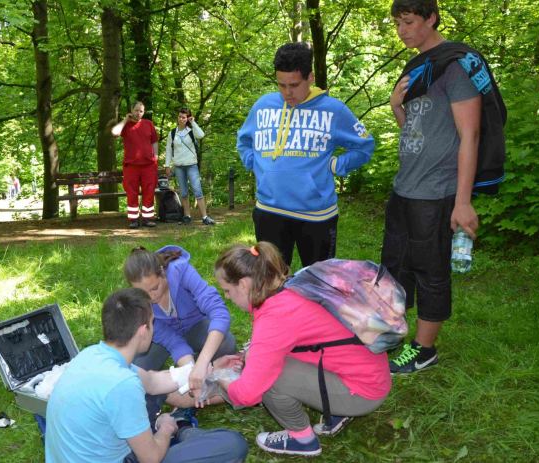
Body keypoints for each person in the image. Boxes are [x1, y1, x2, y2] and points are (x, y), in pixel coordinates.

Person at [384, 0, 495, 374]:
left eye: (409, 22)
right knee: (397, 264)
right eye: (398, 23)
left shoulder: (454, 66)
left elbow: (471, 134)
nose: (402, 31)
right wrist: (397, 107)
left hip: (436, 190)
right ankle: (396, 335)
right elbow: (414, 131)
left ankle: (424, 348)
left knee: (430, 269)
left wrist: (462, 202)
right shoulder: (418, 67)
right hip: (406, 186)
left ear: (431, 18)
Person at [213, 242, 391, 457]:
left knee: (271, 378)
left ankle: (302, 439)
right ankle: (338, 410)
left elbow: (248, 394)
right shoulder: (292, 288)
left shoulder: (275, 317)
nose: (227, 297)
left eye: (227, 290)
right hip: (370, 375)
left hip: (363, 392)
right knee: (260, 361)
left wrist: (224, 382)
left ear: (242, 285)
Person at [44, 288, 248, 463]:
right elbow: (151, 459)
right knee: (232, 445)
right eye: (153, 322)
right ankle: (181, 429)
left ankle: (178, 429)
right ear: (143, 330)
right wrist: (166, 429)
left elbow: (153, 381)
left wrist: (208, 368)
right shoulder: (123, 385)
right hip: (131, 457)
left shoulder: (92, 355)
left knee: (149, 394)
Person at [236, 42, 374, 268]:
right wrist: (255, 164)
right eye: (281, 85)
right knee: (272, 283)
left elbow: (364, 146)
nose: (287, 93)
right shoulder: (263, 106)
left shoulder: (334, 110)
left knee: (320, 283)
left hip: (317, 215)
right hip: (269, 212)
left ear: (310, 78)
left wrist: (336, 165)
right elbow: (244, 140)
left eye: (294, 85)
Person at [124, 246, 237, 397]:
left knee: (226, 342)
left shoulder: (181, 271)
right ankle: (190, 376)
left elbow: (219, 313)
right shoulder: (139, 302)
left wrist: (201, 364)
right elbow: (172, 341)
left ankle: (198, 371)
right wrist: (191, 371)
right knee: (138, 369)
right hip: (161, 341)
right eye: (143, 293)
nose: (151, 297)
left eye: (155, 288)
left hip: (196, 327)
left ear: (163, 272)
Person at [112, 101, 159, 229]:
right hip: (131, 165)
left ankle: (147, 218)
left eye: (141, 111)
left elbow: (154, 142)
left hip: (148, 165)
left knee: (149, 191)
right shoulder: (126, 125)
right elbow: (114, 133)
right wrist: (125, 120)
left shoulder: (148, 124)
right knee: (131, 192)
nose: (138, 113)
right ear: (132, 110)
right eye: (136, 110)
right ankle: (133, 219)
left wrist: (156, 157)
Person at [164, 108, 215, 226]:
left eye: (184, 117)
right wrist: (167, 165)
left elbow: (201, 135)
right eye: (180, 116)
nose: (181, 119)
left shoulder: (191, 131)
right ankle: (187, 216)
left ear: (187, 118)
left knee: (197, 190)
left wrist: (193, 122)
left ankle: (205, 217)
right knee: (184, 193)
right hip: (178, 166)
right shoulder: (172, 133)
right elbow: (168, 150)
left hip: (191, 165)